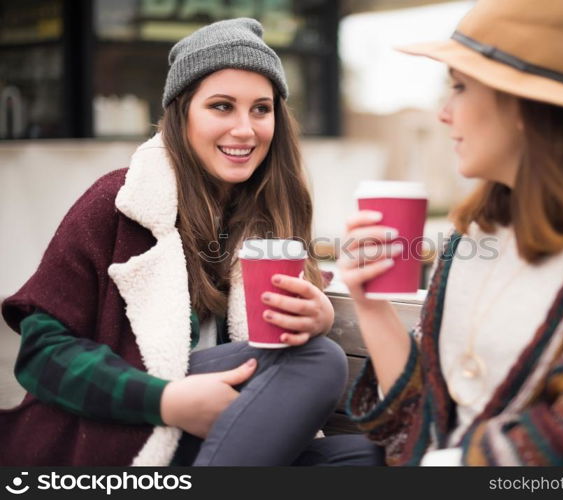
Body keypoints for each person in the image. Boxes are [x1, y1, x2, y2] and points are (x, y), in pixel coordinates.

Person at [1, 18, 383, 467]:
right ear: (181, 115)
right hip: (117, 433)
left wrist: (318, 314)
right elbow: (42, 353)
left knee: (365, 457)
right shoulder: (120, 202)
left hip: (209, 437)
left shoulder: (271, 214)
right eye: (222, 106)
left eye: (261, 109)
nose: (245, 129)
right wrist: (167, 400)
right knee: (318, 360)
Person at [340, 0, 563, 466]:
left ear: (525, 105)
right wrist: (369, 305)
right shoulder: (476, 233)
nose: (444, 114)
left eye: (460, 87)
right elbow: (426, 417)